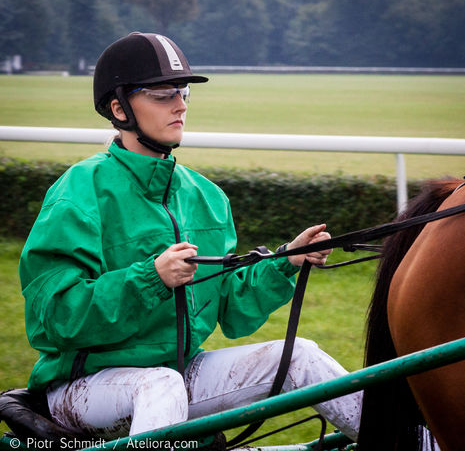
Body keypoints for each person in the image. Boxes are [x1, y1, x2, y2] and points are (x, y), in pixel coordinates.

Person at [19, 32, 362, 442]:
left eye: (182, 93)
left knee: (300, 354)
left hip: (179, 375)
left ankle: (411, 441)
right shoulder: (78, 191)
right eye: (163, 95)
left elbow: (230, 308)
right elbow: (55, 318)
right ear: (119, 108)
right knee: (160, 383)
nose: (180, 105)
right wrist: (151, 279)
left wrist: (286, 260)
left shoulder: (207, 196)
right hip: (82, 388)